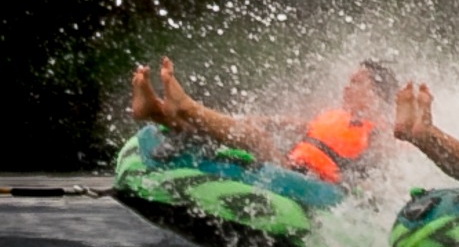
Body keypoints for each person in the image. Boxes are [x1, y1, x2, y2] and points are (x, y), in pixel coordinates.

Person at [130, 56, 399, 185]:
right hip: (291, 168)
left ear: (377, 94)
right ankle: (157, 112)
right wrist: (243, 121)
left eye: (357, 82)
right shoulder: (333, 117)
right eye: (349, 80)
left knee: (256, 140)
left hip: (314, 184)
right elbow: (280, 123)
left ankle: (186, 107)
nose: (347, 86)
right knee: (242, 132)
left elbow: (377, 179)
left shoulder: (381, 135)